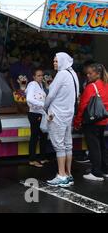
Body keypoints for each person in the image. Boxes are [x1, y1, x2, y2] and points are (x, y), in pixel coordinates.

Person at [44, 52, 79, 187]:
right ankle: (68, 174)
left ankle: (61, 175)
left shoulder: (61, 74)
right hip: (68, 113)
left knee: (59, 146)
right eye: (54, 61)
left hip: (57, 114)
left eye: (56, 61)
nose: (54, 63)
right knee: (67, 144)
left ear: (63, 61)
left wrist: (45, 107)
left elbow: (51, 95)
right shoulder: (73, 74)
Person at [74, 63, 108, 181]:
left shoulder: (91, 87)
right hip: (103, 119)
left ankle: (96, 173)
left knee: (94, 147)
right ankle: (105, 170)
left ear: (97, 74)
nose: (87, 75)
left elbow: (82, 106)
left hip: (92, 121)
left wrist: (77, 121)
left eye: (90, 73)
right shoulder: (106, 84)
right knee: (102, 145)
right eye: (87, 73)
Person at [25, 68, 48, 168]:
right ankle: (32, 159)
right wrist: (42, 104)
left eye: (42, 75)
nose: (41, 77)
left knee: (43, 135)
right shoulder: (32, 84)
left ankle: (42, 157)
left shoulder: (41, 85)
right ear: (34, 77)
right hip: (34, 114)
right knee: (34, 136)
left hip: (41, 113)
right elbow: (29, 99)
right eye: (38, 75)